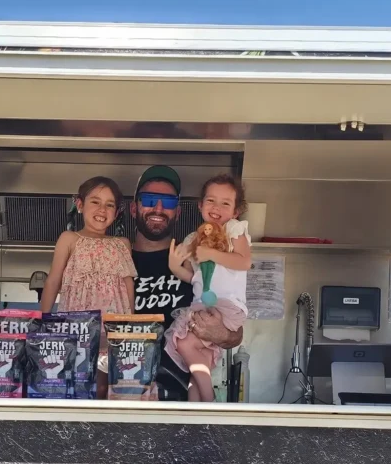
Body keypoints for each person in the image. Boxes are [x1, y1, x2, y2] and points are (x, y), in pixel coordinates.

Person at [130, 166, 244, 400]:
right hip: (126, 395)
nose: (159, 208)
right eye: (150, 200)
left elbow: (236, 333)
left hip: (182, 402)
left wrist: (220, 333)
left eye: (169, 202)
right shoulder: (117, 262)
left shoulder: (197, 259)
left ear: (178, 212)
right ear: (134, 208)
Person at [165, 175, 251, 401]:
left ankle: (210, 402)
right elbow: (195, 277)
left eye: (226, 203)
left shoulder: (234, 230)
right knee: (197, 360)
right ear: (201, 205)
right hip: (204, 303)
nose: (217, 208)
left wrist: (212, 254)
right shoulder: (196, 238)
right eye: (211, 201)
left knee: (183, 342)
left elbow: (244, 262)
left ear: (235, 212)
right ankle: (197, 413)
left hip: (226, 305)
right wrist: (175, 267)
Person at [40, 176, 136, 316]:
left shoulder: (122, 244)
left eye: (109, 205)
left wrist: (130, 324)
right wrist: (43, 318)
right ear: (80, 205)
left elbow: (128, 286)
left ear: (116, 213)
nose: (102, 209)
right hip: (77, 324)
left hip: (114, 325)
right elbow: (53, 281)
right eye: (95, 202)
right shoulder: (69, 239)